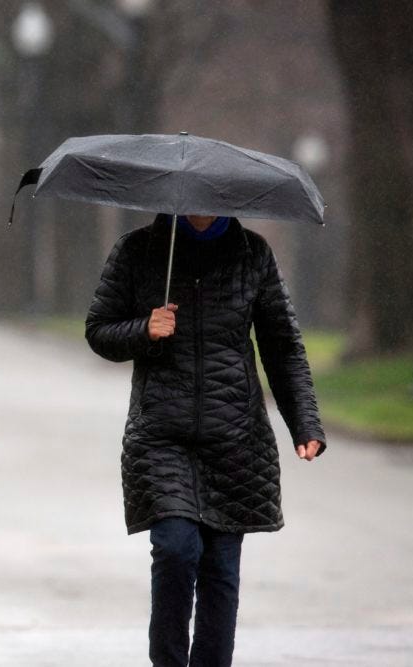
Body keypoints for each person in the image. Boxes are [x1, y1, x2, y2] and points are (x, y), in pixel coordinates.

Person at [84, 213, 326, 667]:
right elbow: (99, 331)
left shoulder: (252, 254)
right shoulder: (139, 250)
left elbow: (282, 344)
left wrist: (306, 423)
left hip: (235, 437)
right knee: (176, 549)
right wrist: (144, 328)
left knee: (220, 571)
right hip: (161, 436)